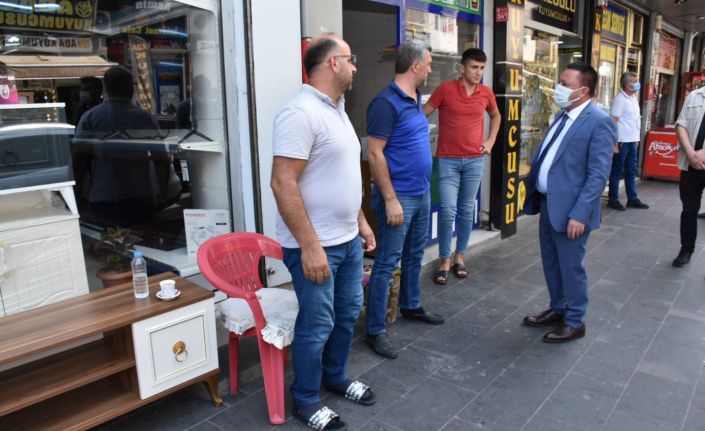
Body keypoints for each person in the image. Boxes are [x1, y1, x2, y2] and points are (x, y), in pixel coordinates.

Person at [270, 34, 377, 431]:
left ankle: (336, 377)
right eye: (351, 59)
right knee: (317, 325)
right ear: (333, 63)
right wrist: (310, 247)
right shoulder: (299, 113)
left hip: (347, 241)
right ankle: (305, 399)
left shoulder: (338, 111)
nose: (355, 67)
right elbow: (282, 183)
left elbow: (342, 177)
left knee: (347, 314)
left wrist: (360, 222)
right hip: (316, 247)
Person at [522, 63, 616, 343]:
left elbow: (598, 174)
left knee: (571, 267)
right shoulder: (563, 115)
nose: (558, 87)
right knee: (552, 263)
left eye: (565, 83)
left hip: (572, 212)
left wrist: (580, 214)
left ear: (583, 90)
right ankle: (559, 308)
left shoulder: (599, 122)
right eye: (559, 81)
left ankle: (575, 321)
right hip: (549, 205)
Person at [364, 40, 445, 360]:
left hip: (421, 192)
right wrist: (390, 199)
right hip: (398, 197)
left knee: (414, 254)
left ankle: (411, 305)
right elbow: (374, 153)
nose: (430, 68)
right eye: (428, 63)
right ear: (414, 66)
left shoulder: (415, 98)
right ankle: (375, 330)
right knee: (387, 262)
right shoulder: (385, 103)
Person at [423, 48, 500, 284]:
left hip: (475, 160)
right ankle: (444, 259)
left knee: (466, 210)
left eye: (482, 68)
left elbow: (496, 116)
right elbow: (422, 114)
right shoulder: (445, 89)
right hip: (448, 160)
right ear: (462, 67)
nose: (479, 72)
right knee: (448, 210)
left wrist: (490, 141)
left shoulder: (486, 92)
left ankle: (460, 256)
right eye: (474, 67)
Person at [74, 65, 178, 228]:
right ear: (130, 87)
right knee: (141, 238)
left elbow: (78, 159)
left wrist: (78, 194)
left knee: (109, 241)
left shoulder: (91, 117)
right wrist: (163, 193)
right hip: (140, 197)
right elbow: (161, 159)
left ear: (106, 89)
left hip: (103, 198)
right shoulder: (144, 117)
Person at [672, 83, 705, 267]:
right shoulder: (694, 96)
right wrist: (692, 154)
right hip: (691, 164)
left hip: (699, 158)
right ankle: (686, 249)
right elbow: (681, 125)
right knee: (689, 210)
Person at [607, 71, 649, 211]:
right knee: (617, 171)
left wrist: (637, 139)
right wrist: (614, 144)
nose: (637, 83)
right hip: (622, 141)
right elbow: (613, 123)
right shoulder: (619, 100)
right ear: (626, 84)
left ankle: (632, 199)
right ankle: (613, 199)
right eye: (634, 81)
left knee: (631, 171)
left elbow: (635, 121)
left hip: (632, 140)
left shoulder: (633, 98)